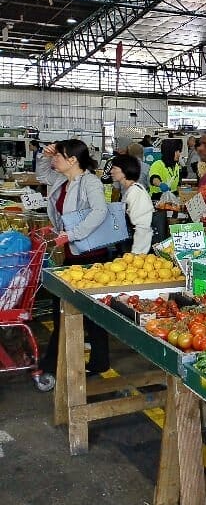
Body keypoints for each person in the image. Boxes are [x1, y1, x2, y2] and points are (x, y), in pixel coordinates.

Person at [35, 139, 111, 389]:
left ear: (73, 160)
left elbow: (99, 212)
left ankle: (55, 365)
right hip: (72, 254)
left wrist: (72, 233)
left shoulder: (90, 182)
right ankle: (69, 363)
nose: (54, 159)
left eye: (59, 156)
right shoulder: (62, 180)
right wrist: (45, 154)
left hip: (91, 256)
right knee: (74, 311)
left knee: (88, 313)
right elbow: (42, 174)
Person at [108, 154, 154, 255]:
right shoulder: (130, 191)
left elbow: (142, 227)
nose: (111, 171)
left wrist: (136, 255)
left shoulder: (136, 192)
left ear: (125, 170)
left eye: (114, 168)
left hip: (136, 253)